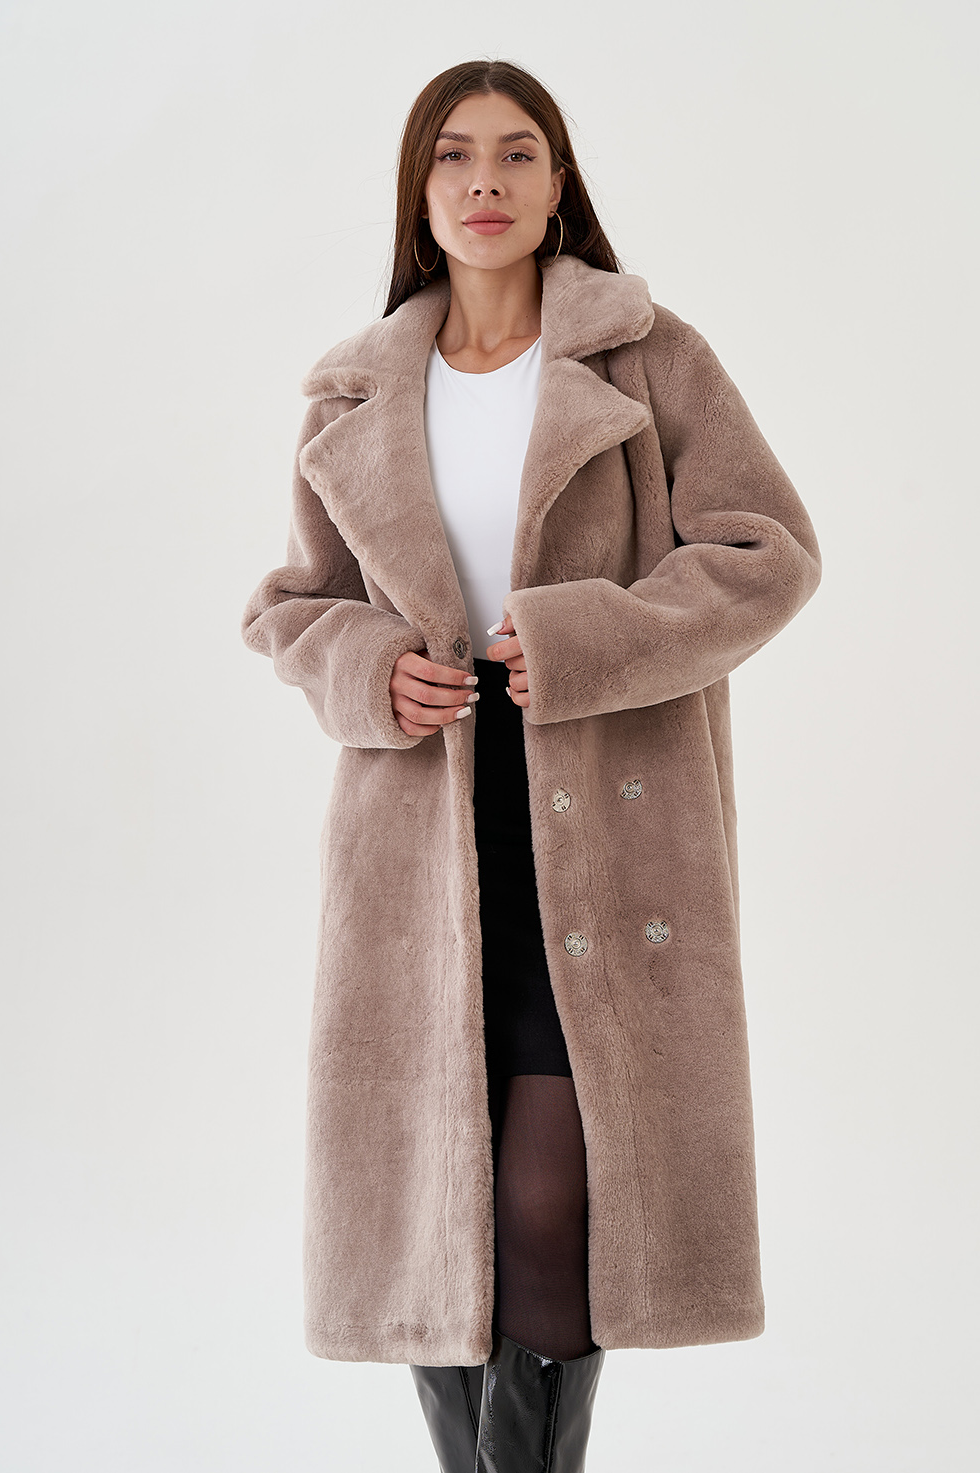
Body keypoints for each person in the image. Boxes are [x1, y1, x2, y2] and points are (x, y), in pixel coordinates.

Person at [241, 58, 822, 1473]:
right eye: (453, 156)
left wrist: (585, 639)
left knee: (551, 1217)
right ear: (418, 190)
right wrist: (366, 668)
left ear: (559, 185)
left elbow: (766, 554)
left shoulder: (646, 356)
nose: (484, 182)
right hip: (420, 838)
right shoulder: (353, 389)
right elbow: (293, 606)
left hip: (607, 829)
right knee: (442, 1237)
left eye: (515, 153)